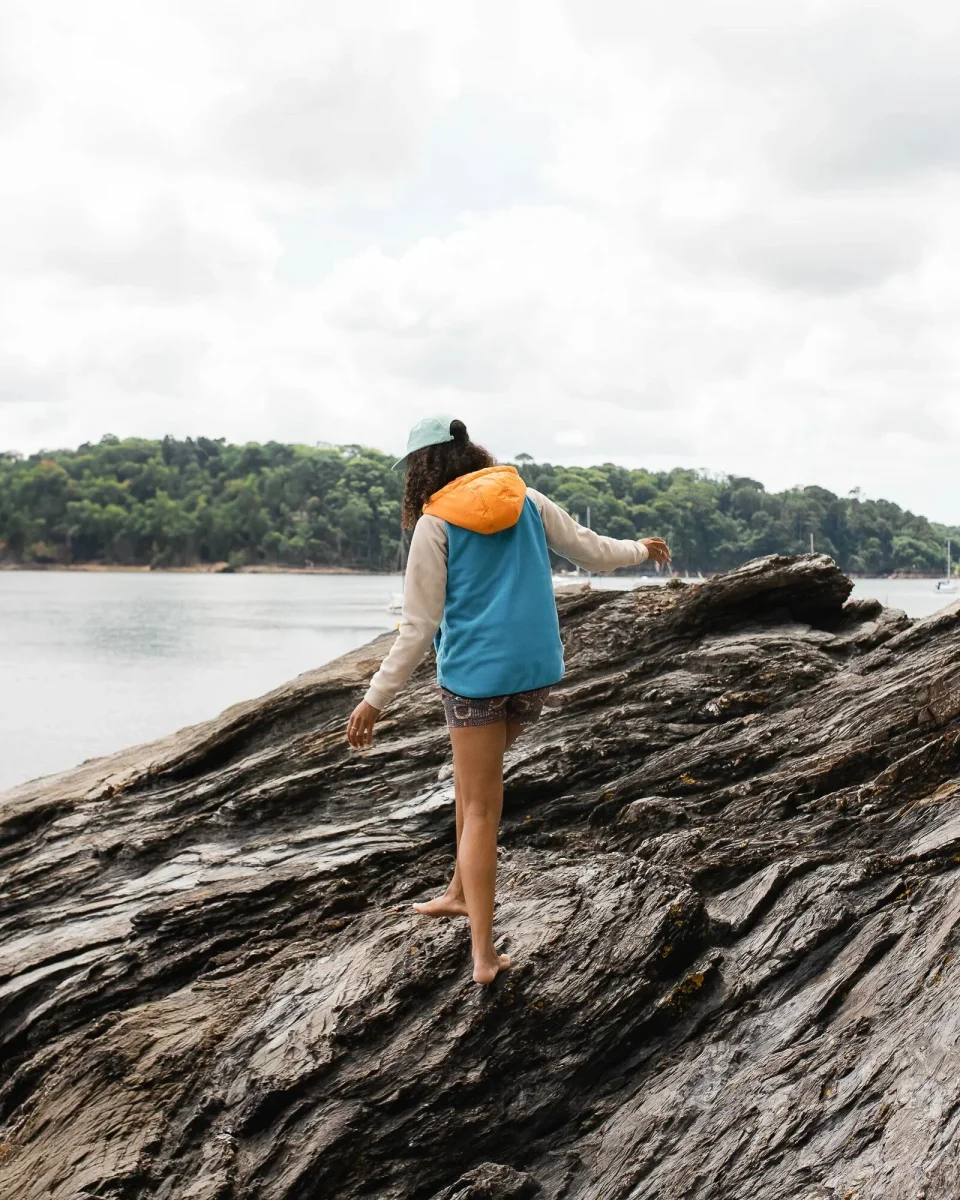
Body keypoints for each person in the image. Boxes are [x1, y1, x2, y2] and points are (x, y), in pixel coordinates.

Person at [346, 416, 671, 984]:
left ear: (423, 469)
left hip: (475, 681)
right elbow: (592, 553)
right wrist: (641, 550)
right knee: (471, 789)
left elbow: (418, 628)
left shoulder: (434, 524)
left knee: (478, 809)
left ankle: (482, 955)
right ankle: (455, 891)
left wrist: (375, 699)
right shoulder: (526, 497)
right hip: (535, 673)